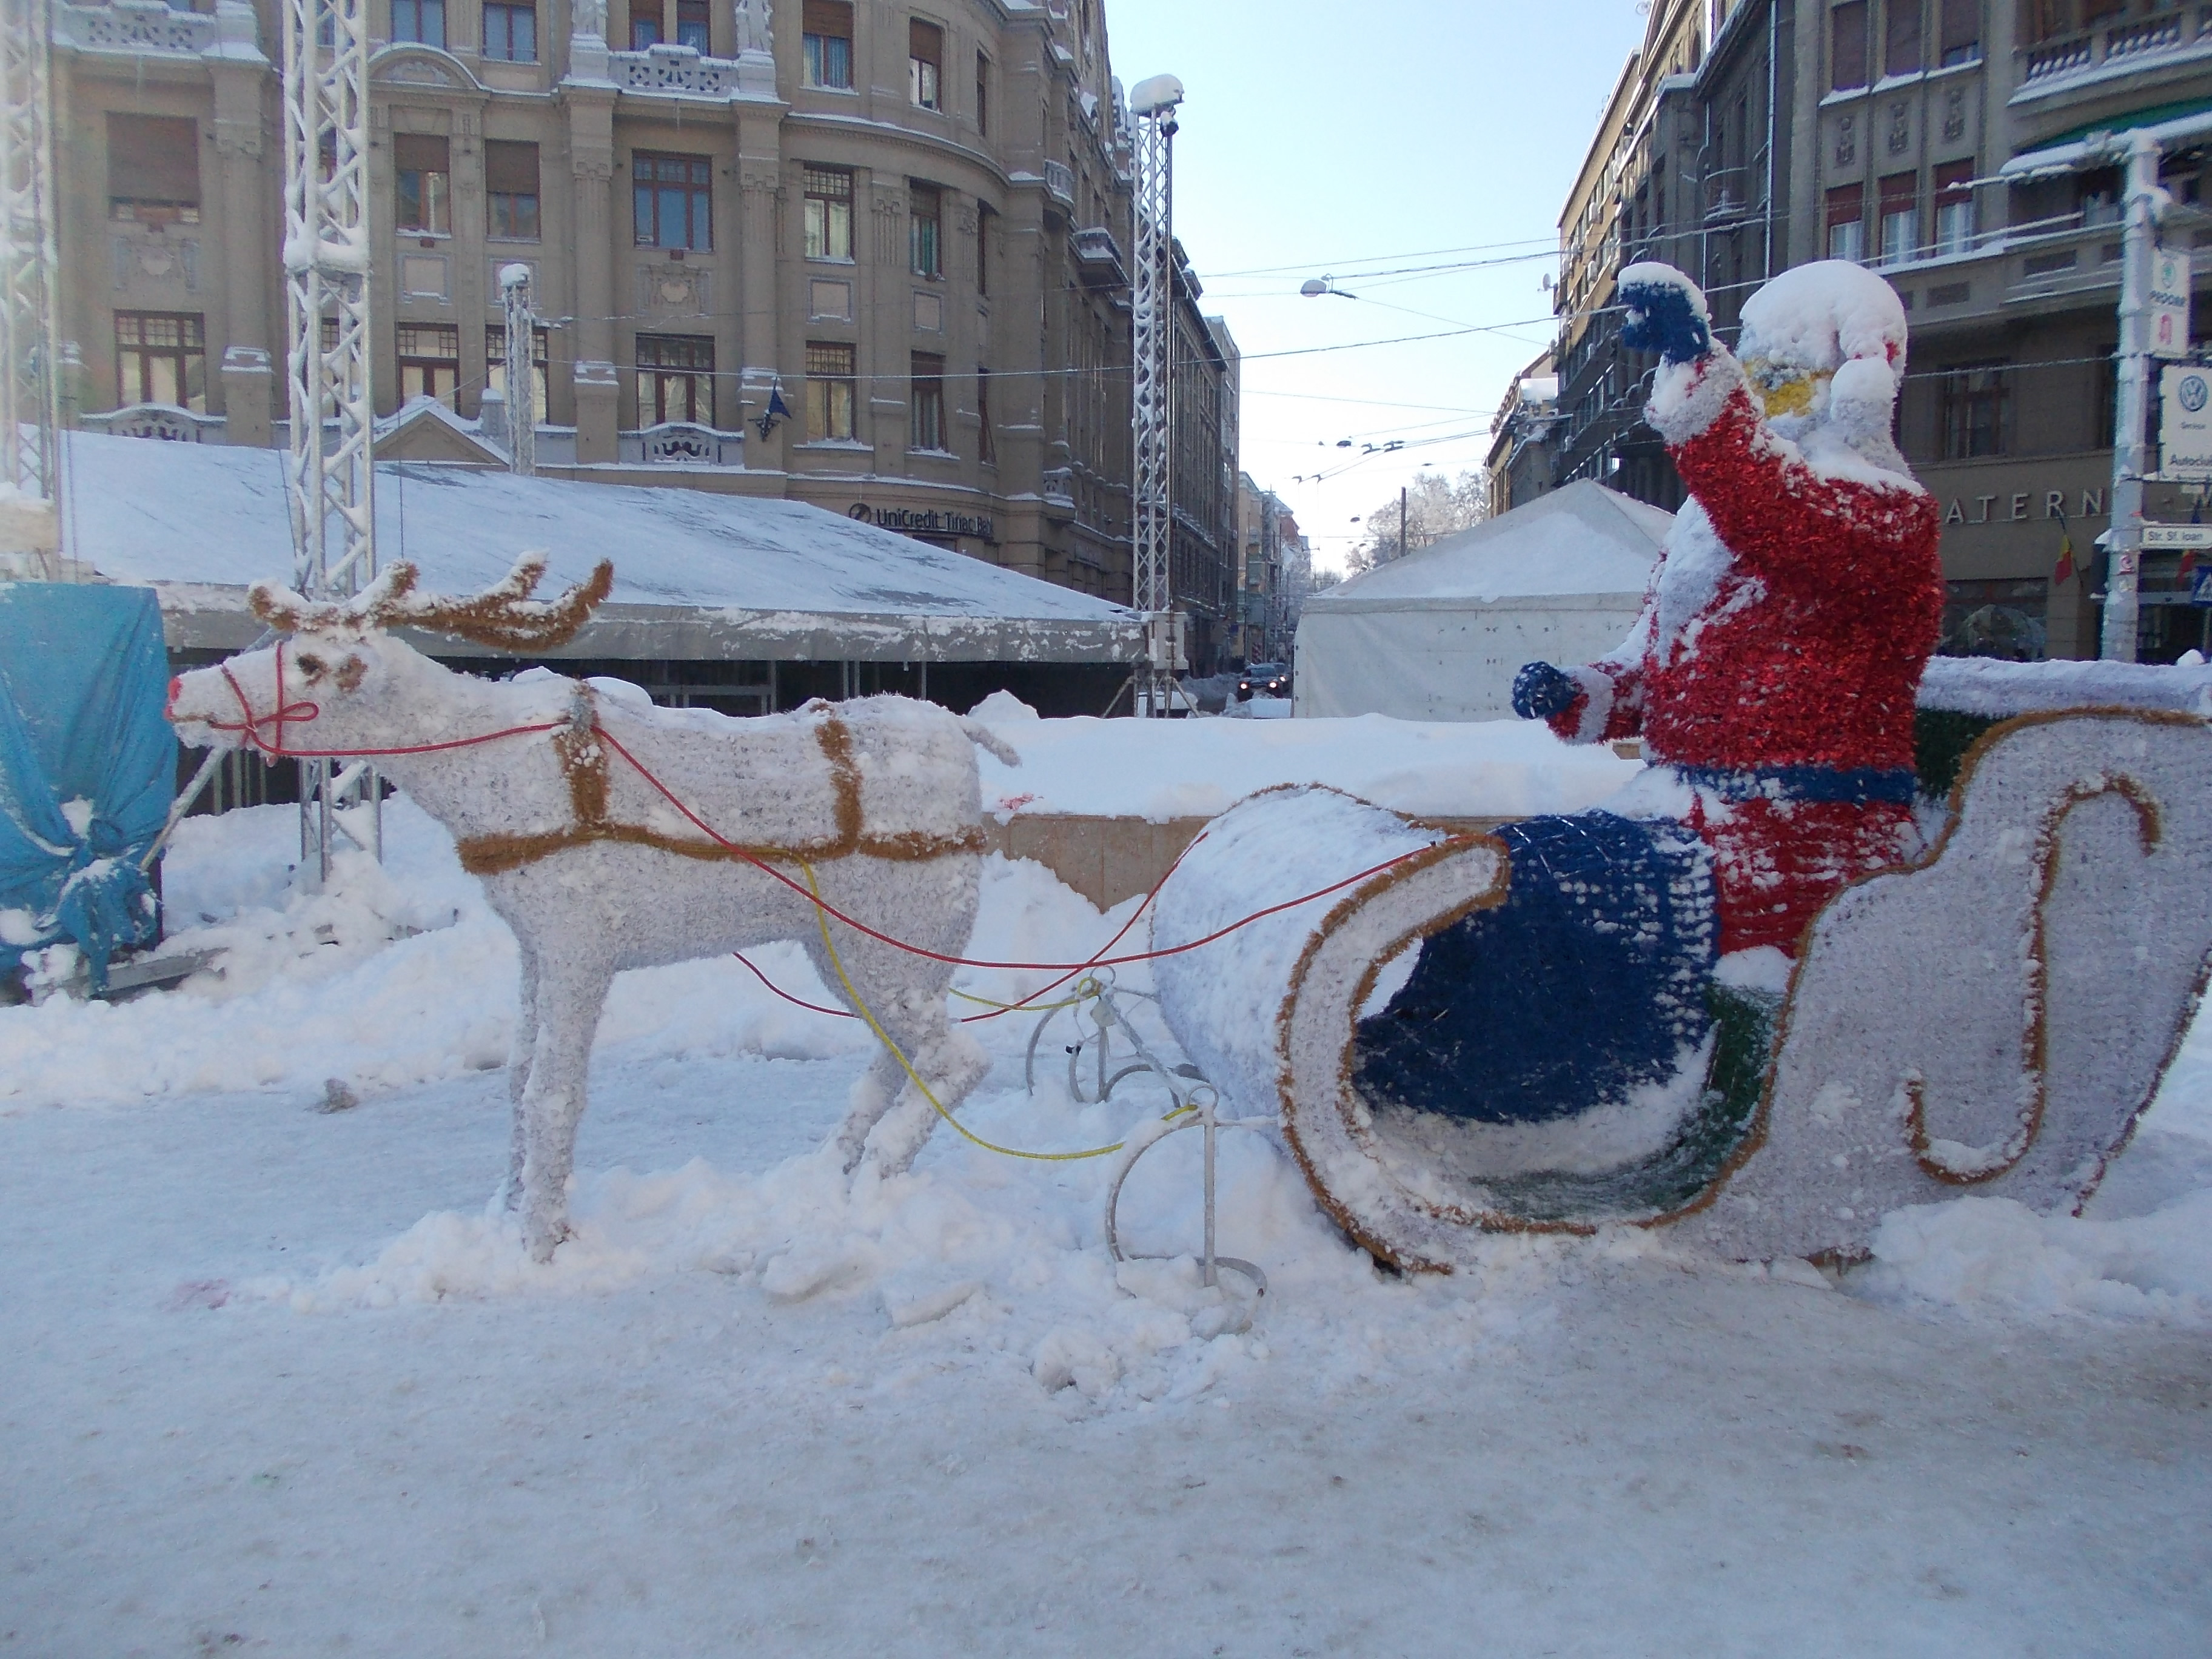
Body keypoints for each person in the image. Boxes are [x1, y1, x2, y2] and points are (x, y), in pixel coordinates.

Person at [1512, 260, 1944, 956]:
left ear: (1859, 385)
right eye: (1758, 378)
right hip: (1688, 815)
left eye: (1787, 379)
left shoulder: (1884, 509)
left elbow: (1776, 512)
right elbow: (1655, 665)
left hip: (1807, 839)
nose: (1770, 401)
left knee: (1559, 903)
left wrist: (1696, 369)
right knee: (1522, 873)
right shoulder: (1709, 521)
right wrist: (1581, 692)